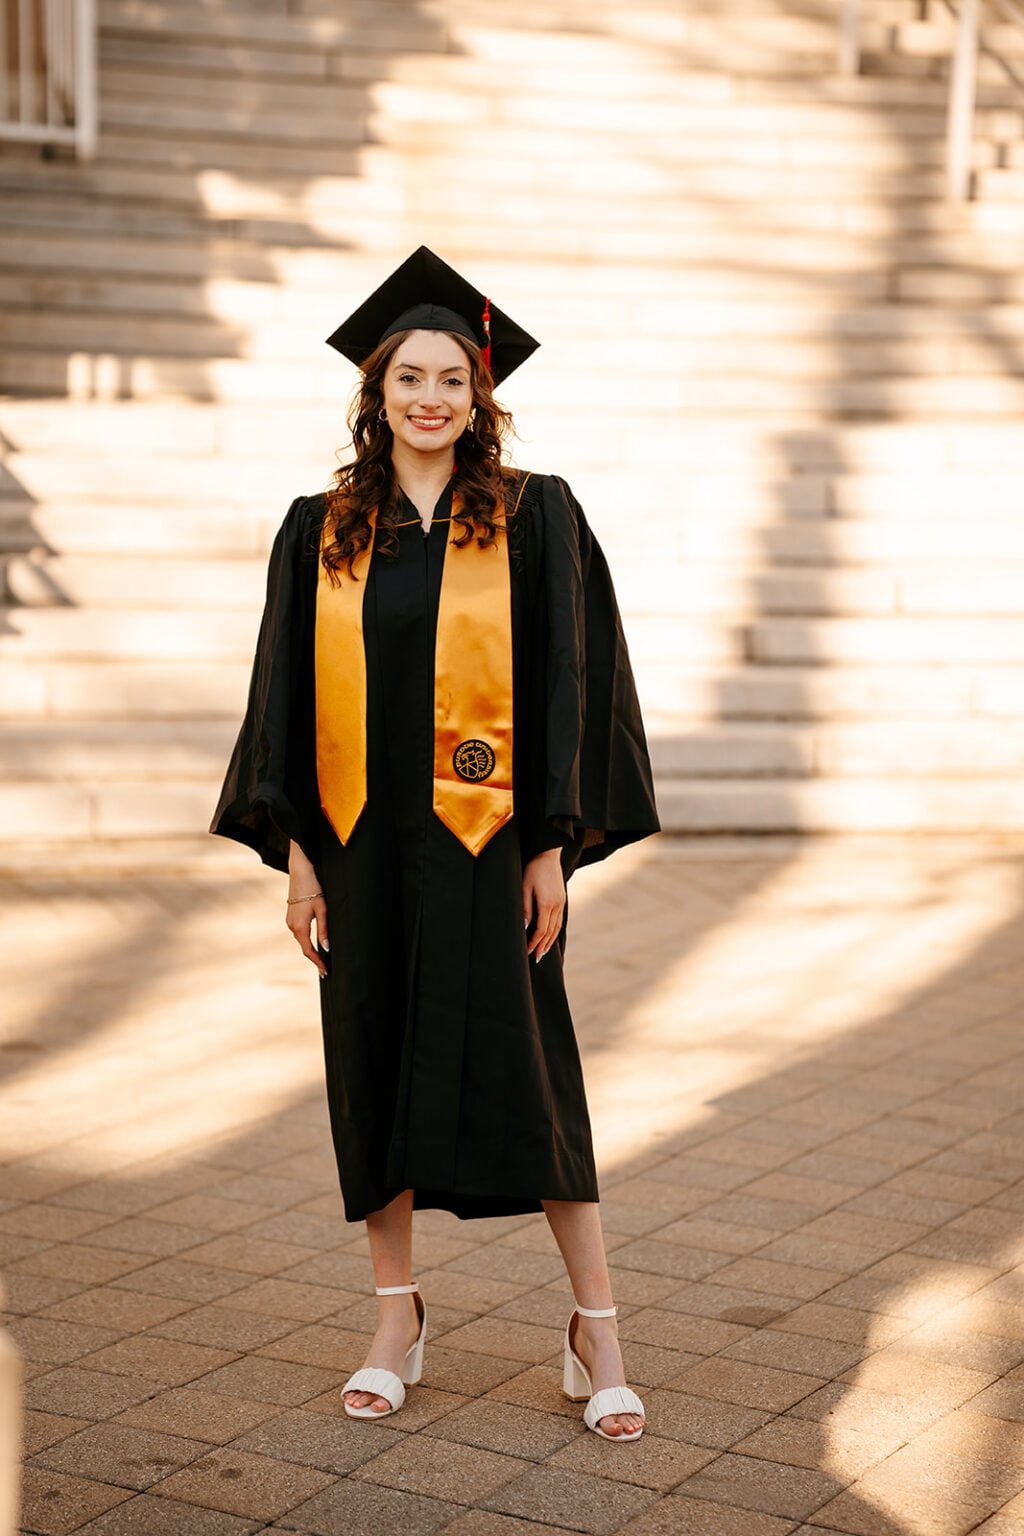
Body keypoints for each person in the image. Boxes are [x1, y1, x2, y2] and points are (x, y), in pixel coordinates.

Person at [210, 247, 660, 1440]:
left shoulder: (532, 514)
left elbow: (572, 683)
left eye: (450, 380)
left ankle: (595, 1328)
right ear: (376, 392)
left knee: (534, 1072)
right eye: (407, 377)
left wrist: (549, 844)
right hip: (361, 844)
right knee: (371, 1063)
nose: (428, 398)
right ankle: (395, 1319)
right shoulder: (321, 531)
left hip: (488, 839)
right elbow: (285, 699)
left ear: (480, 396)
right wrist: (300, 850)